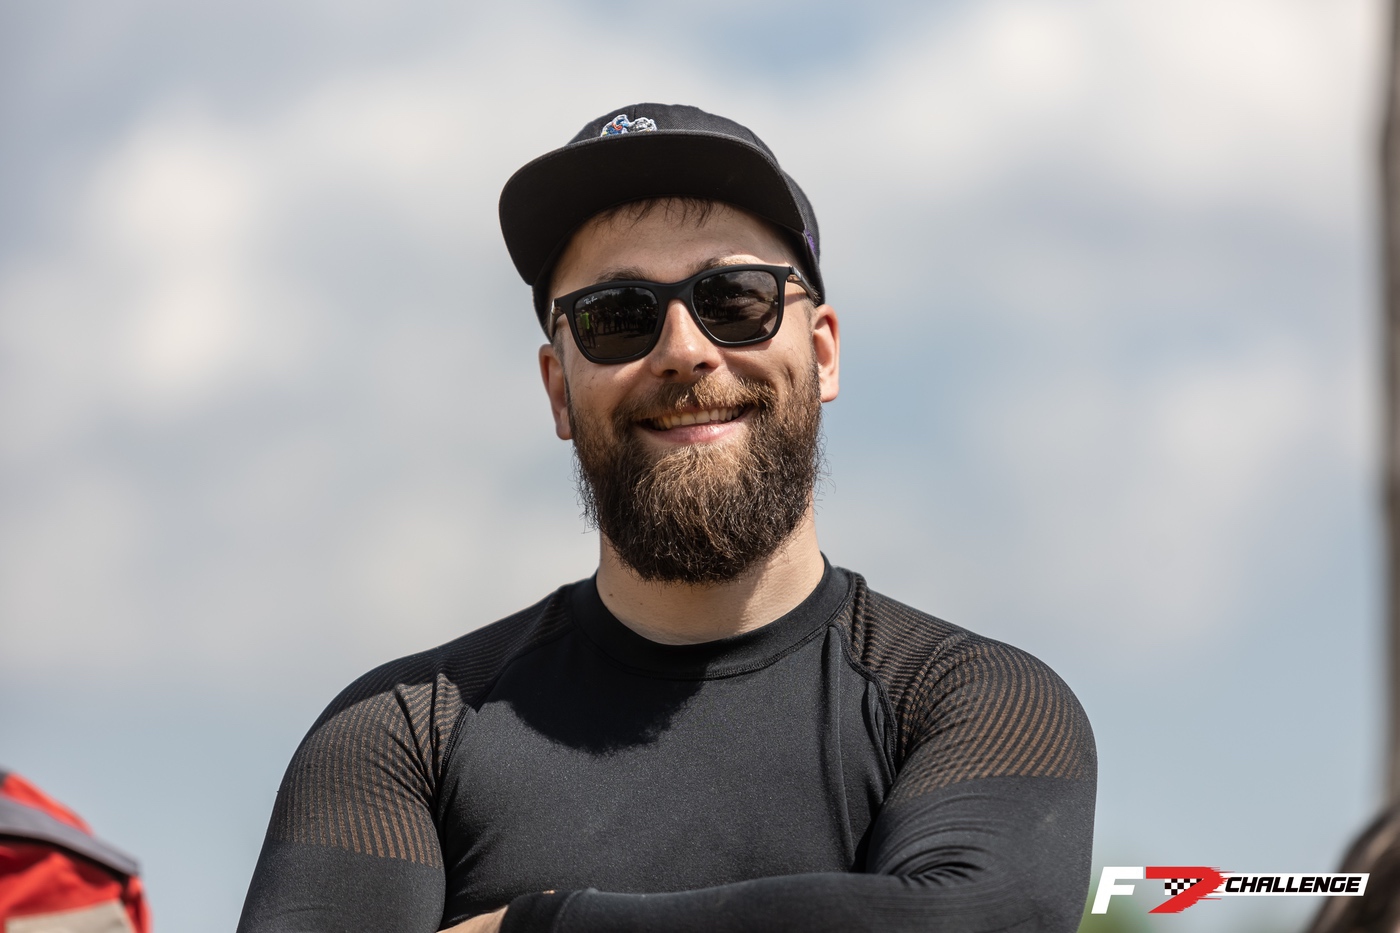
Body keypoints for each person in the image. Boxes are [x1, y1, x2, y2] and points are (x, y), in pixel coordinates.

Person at [237, 103, 1097, 933]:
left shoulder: (969, 698)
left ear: (822, 352)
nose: (684, 350)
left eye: (736, 299)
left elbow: (973, 917)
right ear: (558, 390)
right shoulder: (403, 733)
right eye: (617, 317)